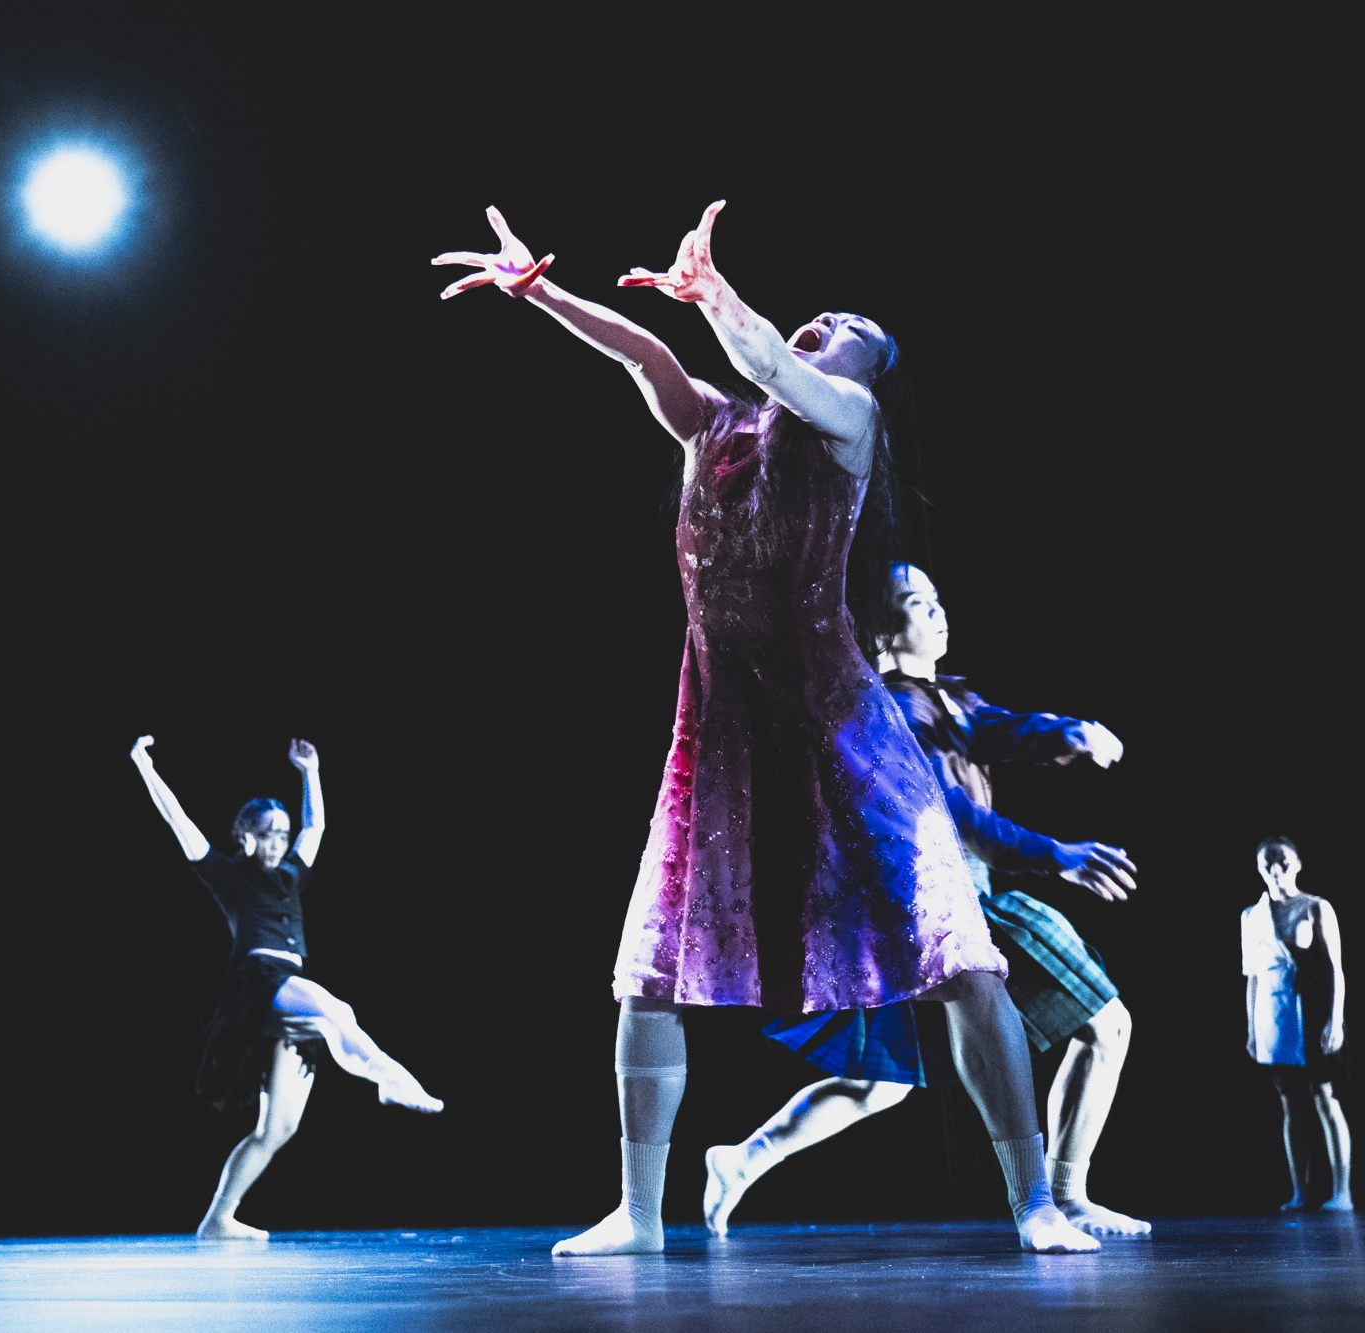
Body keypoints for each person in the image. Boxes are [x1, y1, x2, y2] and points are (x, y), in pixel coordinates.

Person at [433, 205, 1096, 1254]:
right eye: (822, 313)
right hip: (726, 743)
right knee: (649, 967)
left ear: (867, 373)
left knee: (963, 961)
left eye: (851, 329)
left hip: (848, 740)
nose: (825, 321)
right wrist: (541, 292)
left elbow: (770, 363)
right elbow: (645, 354)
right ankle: (638, 1215)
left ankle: (1036, 1203)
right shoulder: (718, 426)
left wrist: (714, 295)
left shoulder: (850, 424)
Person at [703, 563, 1149, 1238]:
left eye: (938, 597)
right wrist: (1057, 854)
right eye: (918, 602)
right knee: (1106, 1023)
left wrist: (1069, 732)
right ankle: (1064, 1194)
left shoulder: (942, 698)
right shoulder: (892, 709)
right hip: (946, 904)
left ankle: (742, 1159)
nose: (939, 612)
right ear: (883, 628)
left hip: (925, 908)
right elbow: (956, 815)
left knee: (878, 1081)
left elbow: (993, 727)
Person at [129, 735, 442, 1240]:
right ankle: (389, 1078)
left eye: (281, 834)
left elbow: (315, 827)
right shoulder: (227, 874)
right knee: (336, 1011)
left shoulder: (292, 875)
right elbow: (176, 818)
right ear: (245, 837)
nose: (277, 843)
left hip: (285, 995)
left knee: (277, 1128)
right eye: (266, 834)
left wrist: (310, 772)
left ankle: (217, 1220)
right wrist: (144, 765)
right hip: (259, 984)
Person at [1244, 836, 1351, 1211]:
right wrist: (1252, 1030)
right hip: (1274, 1016)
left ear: (1298, 865)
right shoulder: (1252, 916)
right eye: (1268, 863)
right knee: (1290, 1102)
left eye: (1283, 862)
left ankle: (1342, 1192)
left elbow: (1336, 969)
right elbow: (1252, 976)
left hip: (1313, 1010)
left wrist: (1335, 1020)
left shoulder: (1316, 907)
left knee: (1325, 1097)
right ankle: (1299, 1192)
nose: (1276, 870)